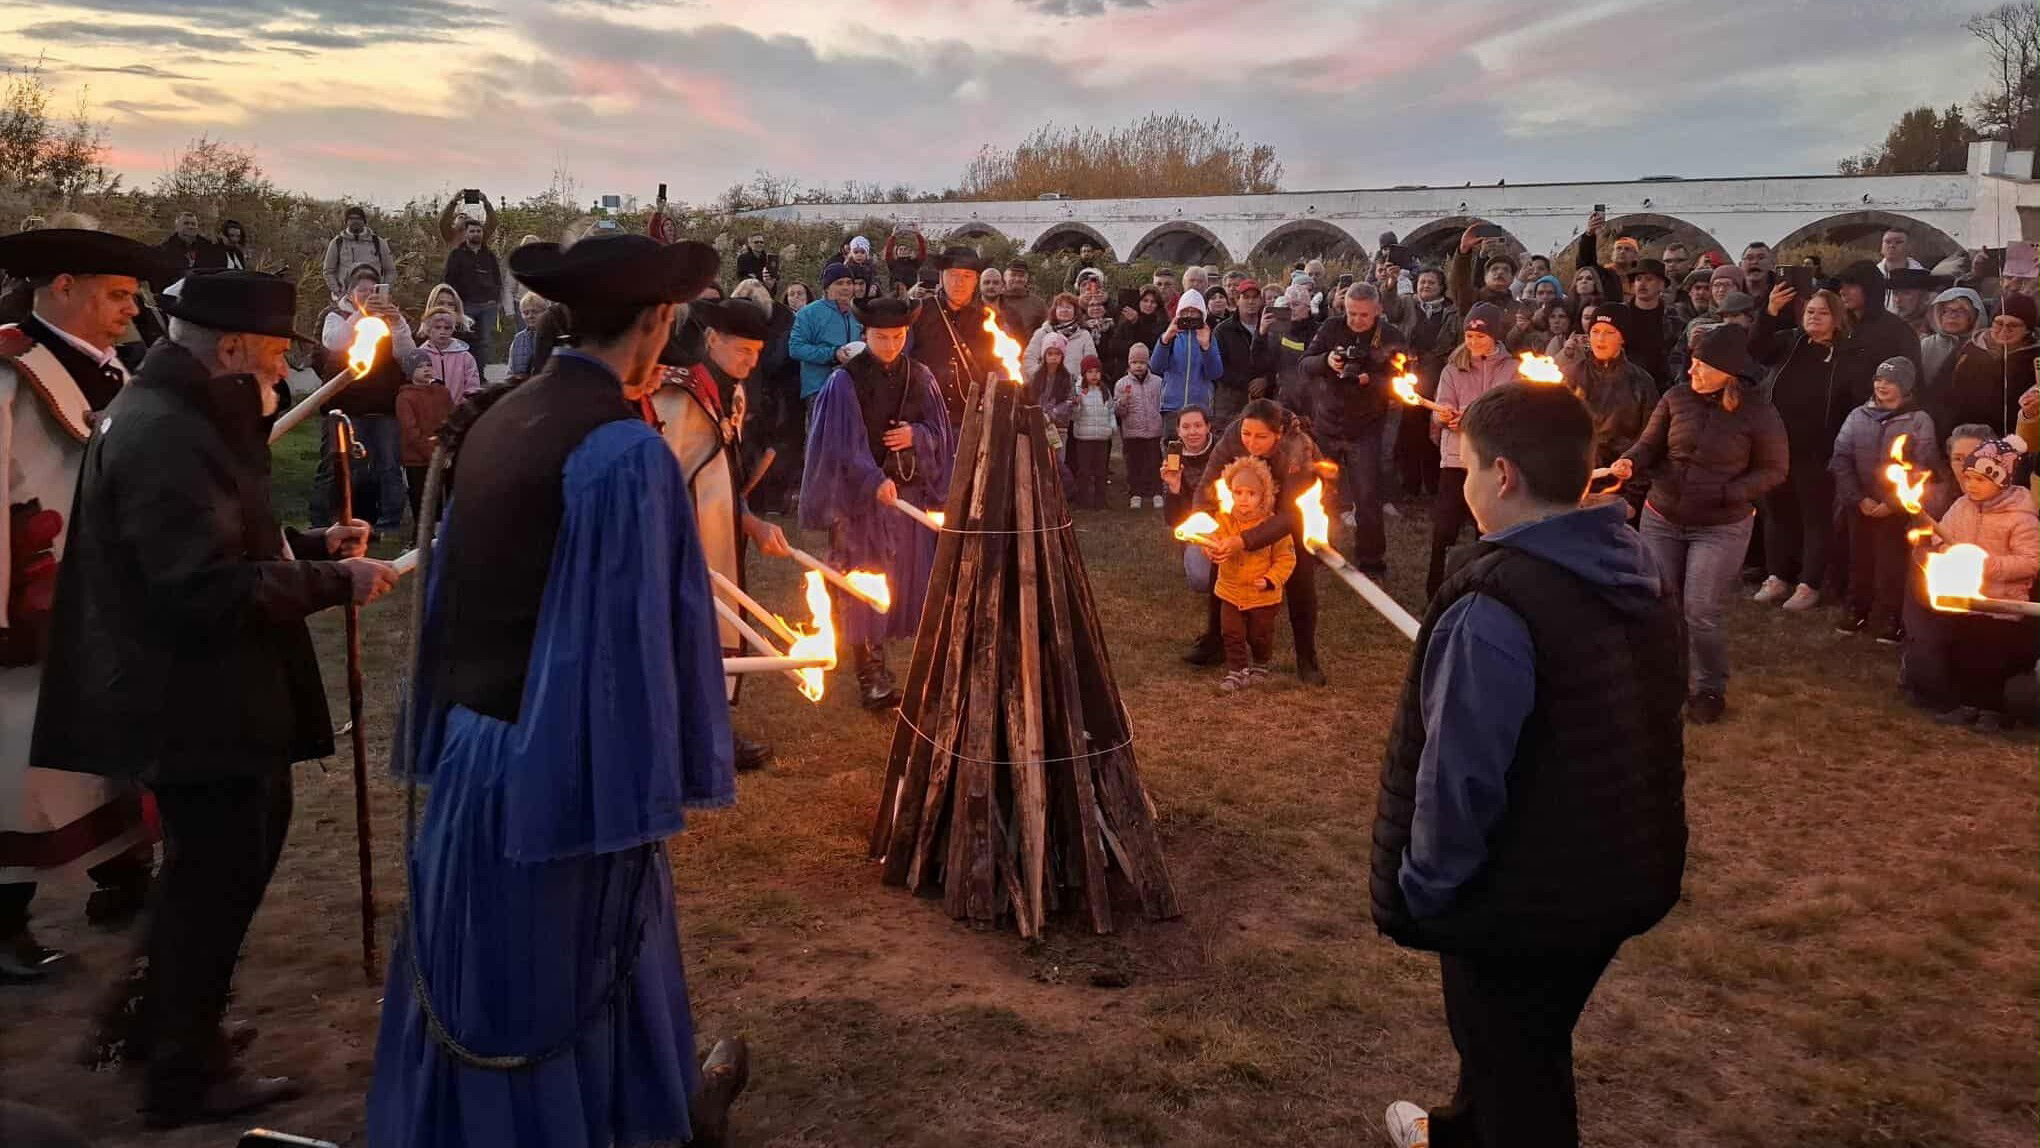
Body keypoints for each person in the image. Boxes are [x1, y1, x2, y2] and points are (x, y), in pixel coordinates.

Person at [365, 234, 751, 1146]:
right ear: (659, 322)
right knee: (560, 974)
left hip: (471, 754)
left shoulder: (499, 417)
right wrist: (656, 772)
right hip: (559, 777)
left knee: (482, 973)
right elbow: (630, 651)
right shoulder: (622, 456)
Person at [34, 270, 397, 1125]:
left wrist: (307, 543)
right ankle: (180, 1071)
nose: (284, 370)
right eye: (276, 353)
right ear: (230, 348)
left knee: (217, 873)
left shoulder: (188, 417)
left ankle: (160, 1025)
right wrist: (329, 580)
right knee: (214, 883)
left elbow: (224, 533)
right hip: (195, 702)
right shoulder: (165, 433)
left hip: (214, 696)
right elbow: (195, 587)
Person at [1372, 382, 1685, 1148]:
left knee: (1520, 1068)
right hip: (1616, 867)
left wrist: (1429, 889)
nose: (1468, 483)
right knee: (1518, 1039)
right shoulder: (1630, 564)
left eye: (1471, 468)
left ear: (1503, 475)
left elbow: (1461, 780)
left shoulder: (1496, 611)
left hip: (1520, 897)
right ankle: (1458, 1132)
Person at [0, 229, 161, 983]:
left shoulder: (115, 373)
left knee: (112, 746)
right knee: (22, 764)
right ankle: (4, 925)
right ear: (60, 286)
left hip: (104, 592)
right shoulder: (7, 372)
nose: (130, 313)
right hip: (31, 594)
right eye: (117, 296)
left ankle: (122, 882)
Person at [1609, 324, 1788, 724]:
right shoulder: (1676, 398)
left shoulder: (1758, 412)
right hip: (1663, 516)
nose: (1693, 371)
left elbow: (1775, 469)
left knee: (1700, 609)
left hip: (1720, 525)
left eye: (1702, 365)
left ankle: (1708, 687)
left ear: (1728, 371)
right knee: (1662, 603)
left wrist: (1731, 492)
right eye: (1692, 362)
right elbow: (1649, 444)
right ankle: (1665, 679)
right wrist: (1631, 462)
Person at [649, 297, 791, 772]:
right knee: (683, 630)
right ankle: (685, 738)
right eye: (742, 350)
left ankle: (709, 730)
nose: (751, 361)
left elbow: (723, 475)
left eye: (756, 351)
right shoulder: (678, 393)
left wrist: (751, 521)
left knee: (713, 630)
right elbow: (662, 475)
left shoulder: (730, 392)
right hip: (680, 540)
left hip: (719, 536)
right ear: (711, 341)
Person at [800, 296, 953, 710]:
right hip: (860, 504)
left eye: (898, 337)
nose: (890, 345)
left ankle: (924, 673)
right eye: (881, 338)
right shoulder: (844, 381)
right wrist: (871, 479)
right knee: (864, 582)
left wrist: (916, 436)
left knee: (907, 579)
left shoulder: (920, 376)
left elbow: (939, 429)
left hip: (908, 496)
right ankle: (871, 675)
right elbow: (838, 442)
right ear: (865, 335)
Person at [1748, 284, 1864, 611]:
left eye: (1822, 312)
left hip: (1818, 449)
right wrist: (1769, 312)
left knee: (1815, 517)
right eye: (1810, 311)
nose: (1814, 317)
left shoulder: (1849, 354)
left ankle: (1809, 583)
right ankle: (1777, 576)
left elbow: (1853, 401)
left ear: (1837, 319)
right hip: (1777, 444)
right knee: (1776, 512)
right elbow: (1756, 350)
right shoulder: (1789, 341)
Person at [1196, 400, 1327, 684]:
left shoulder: (1298, 448)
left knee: (1300, 576)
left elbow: (1291, 514)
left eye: (1260, 436)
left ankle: (1307, 657)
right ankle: (1215, 640)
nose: (1251, 442)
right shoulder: (1233, 437)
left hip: (1294, 513)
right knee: (1221, 566)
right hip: (1248, 506)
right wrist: (1209, 535)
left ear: (1278, 434)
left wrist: (1244, 540)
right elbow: (1206, 487)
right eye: (1247, 434)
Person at [1922, 434, 2038, 729]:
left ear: (2001, 481)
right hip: (1964, 600)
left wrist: (1990, 566)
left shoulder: (2021, 518)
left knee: (1991, 658)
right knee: (1962, 652)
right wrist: (1941, 548)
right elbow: (1941, 535)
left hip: (2001, 607)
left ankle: (1992, 710)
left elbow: (2032, 561)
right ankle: (1966, 704)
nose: (1971, 484)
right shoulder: (1961, 506)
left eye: (1980, 480)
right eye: (1969, 477)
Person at [1299, 282, 1407, 574]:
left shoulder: (1392, 337)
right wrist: (1327, 361)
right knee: (1318, 492)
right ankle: (1316, 546)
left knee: (1368, 495)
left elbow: (1405, 383)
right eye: (1351, 313)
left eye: (1363, 315)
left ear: (1378, 311)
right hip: (1327, 421)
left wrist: (1370, 380)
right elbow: (1305, 363)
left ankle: (1371, 559)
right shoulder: (1331, 328)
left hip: (1366, 426)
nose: (1356, 320)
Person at [1830, 357, 1939, 643]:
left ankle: (1892, 616)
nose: (1882, 386)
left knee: (1892, 563)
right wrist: (1857, 498)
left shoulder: (1918, 420)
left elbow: (1923, 465)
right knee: (1859, 559)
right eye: (1879, 379)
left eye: (1890, 381)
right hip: (1860, 503)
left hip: (1896, 508)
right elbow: (1841, 457)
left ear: (1905, 386)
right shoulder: (1858, 416)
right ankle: (1857, 608)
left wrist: (1893, 502)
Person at [1426, 303, 1524, 597]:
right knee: (1445, 527)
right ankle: (1437, 590)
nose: (1473, 342)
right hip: (1457, 458)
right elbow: (1440, 406)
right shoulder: (1453, 368)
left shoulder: (1514, 369)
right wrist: (1442, 415)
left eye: (1480, 336)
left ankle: (1484, 587)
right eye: (1469, 336)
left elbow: (1510, 410)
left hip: (1493, 461)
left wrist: (1472, 415)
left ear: (1495, 336)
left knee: (1488, 527)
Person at [317, 263, 417, 536]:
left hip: (383, 403)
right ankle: (348, 518)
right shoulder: (336, 316)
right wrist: (360, 315)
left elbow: (408, 354)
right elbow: (335, 342)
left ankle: (390, 521)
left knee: (389, 465)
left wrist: (396, 323)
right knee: (350, 466)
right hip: (347, 403)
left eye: (374, 290)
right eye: (363, 291)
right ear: (350, 293)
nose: (369, 295)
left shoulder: (391, 319)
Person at [1201, 455, 1295, 692]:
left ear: (1263, 495)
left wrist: (1271, 579)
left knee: (1259, 634)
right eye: (1238, 492)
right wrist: (1212, 551)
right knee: (1231, 632)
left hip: (1262, 595)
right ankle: (1237, 670)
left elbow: (1286, 558)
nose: (1243, 499)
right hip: (1230, 591)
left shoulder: (1273, 527)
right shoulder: (1224, 520)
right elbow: (1213, 540)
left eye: (1251, 494)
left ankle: (1261, 664)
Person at [1561, 306, 1658, 521]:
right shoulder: (1570, 375)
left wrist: (1634, 498)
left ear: (1622, 338)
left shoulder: (1641, 382)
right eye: (1595, 331)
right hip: (1573, 489)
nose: (1600, 339)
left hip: (1619, 490)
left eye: (1609, 332)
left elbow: (1650, 441)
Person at [908, 246, 997, 428]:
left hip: (969, 421)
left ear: (976, 280)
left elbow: (996, 369)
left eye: (967, 276)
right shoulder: (918, 313)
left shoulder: (988, 321)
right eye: (953, 275)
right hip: (923, 418)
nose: (959, 282)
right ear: (941, 277)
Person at [1934, 291, 2037, 436]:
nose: (2004, 330)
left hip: (2015, 439)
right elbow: (1940, 393)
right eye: (1999, 323)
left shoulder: (2034, 358)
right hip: (1964, 436)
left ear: (2027, 329)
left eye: (2013, 325)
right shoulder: (1968, 349)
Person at [1150, 288, 1225, 437]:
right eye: (1185, 312)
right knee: (1172, 454)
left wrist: (1206, 347)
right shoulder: (1171, 337)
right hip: (1173, 407)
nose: (1189, 315)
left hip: (1200, 407)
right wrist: (1165, 339)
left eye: (1194, 312)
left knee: (1199, 453)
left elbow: (1215, 373)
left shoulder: (1209, 338)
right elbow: (1156, 367)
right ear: (1178, 314)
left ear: (1201, 314)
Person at [442, 215, 514, 365]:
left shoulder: (489, 255)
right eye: (472, 231)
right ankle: (465, 371)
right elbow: (449, 280)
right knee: (465, 339)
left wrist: (497, 299)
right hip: (466, 304)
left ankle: (480, 374)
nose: (476, 234)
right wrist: (452, 303)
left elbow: (497, 277)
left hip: (488, 305)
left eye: (478, 231)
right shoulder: (457, 255)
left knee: (485, 342)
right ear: (466, 234)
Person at [789, 264, 864, 407]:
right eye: (839, 283)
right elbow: (796, 348)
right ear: (827, 287)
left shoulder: (857, 314)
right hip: (820, 390)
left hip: (853, 390)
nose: (845, 287)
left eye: (849, 283)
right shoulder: (809, 313)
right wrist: (833, 354)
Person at [1835, 261, 1922, 381]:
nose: (1842, 292)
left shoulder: (1898, 332)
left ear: (1869, 288)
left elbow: (1909, 382)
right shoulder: (1841, 327)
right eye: (1842, 286)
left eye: (1851, 286)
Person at [395, 348, 453, 524]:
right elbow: (411, 432)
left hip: (445, 456)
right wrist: (434, 455)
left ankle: (441, 538)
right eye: (420, 367)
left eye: (428, 365)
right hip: (417, 460)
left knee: (445, 500)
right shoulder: (405, 397)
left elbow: (453, 420)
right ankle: (418, 541)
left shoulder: (442, 392)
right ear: (410, 371)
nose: (426, 369)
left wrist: (449, 450)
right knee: (422, 501)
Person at [1211, 279, 1268, 424]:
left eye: (1255, 297)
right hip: (1230, 403)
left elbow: (1278, 360)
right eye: (1246, 297)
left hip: (1264, 401)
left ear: (1261, 300)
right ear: (1237, 300)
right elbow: (1218, 367)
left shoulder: (1270, 328)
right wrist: (1248, 383)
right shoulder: (1223, 330)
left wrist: (1267, 380)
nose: (1251, 301)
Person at [1116, 343, 1164, 510]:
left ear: (1148, 363)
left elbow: (1162, 404)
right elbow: (1119, 412)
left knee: (1155, 463)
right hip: (1132, 432)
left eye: (1142, 362)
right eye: (1135, 362)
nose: (1138, 366)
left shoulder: (1158, 382)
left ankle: (1157, 492)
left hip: (1153, 431)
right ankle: (1135, 493)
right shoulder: (1122, 384)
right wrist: (1122, 404)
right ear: (1129, 363)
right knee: (1134, 464)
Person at [1067, 356, 1115, 510]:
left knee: (1101, 471)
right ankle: (1083, 500)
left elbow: (1110, 411)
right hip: (1084, 438)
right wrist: (1077, 406)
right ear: (1084, 373)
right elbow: (1074, 417)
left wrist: (1111, 427)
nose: (1094, 375)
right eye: (1090, 372)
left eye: (1097, 372)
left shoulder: (1105, 391)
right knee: (1084, 471)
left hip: (1102, 437)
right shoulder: (1078, 390)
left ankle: (1101, 501)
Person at [321, 206, 396, 304]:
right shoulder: (337, 242)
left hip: (374, 298)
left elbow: (390, 270)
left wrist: (382, 291)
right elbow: (328, 271)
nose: (355, 221)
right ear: (346, 221)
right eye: (351, 219)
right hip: (345, 298)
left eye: (358, 218)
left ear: (364, 221)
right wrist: (338, 291)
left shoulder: (378, 242)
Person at [1023, 292, 1101, 386]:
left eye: (1068, 307)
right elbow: (1029, 358)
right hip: (1045, 386)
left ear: (1075, 311)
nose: (1064, 310)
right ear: (1054, 310)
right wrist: (1040, 377)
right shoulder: (1042, 332)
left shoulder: (1084, 335)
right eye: (1060, 307)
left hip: (1075, 387)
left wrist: (1081, 383)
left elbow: (1091, 362)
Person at [418, 305, 485, 406]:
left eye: (447, 328)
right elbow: (416, 385)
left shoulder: (465, 357)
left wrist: (465, 407)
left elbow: (472, 387)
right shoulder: (420, 355)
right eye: (437, 327)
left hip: (458, 413)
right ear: (428, 329)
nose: (443, 332)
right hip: (429, 411)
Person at [1920, 286, 1984, 386]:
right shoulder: (1927, 345)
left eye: (1961, 311)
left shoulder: (1984, 346)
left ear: (1974, 316)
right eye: (1946, 311)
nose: (1953, 316)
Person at [153, 210, 223, 289]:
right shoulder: (165, 249)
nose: (190, 227)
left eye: (193, 224)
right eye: (186, 223)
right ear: (177, 227)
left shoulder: (208, 247)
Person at [999, 258, 1048, 337]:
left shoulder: (1038, 304)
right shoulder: (994, 299)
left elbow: (1046, 331)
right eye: (1013, 275)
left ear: (1027, 278)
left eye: (1021, 276)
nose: (1017, 279)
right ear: (1005, 276)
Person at [507, 290, 549, 379]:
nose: (530, 316)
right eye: (526, 313)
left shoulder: (554, 338)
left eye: (535, 312)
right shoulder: (518, 339)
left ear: (545, 312)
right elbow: (510, 372)